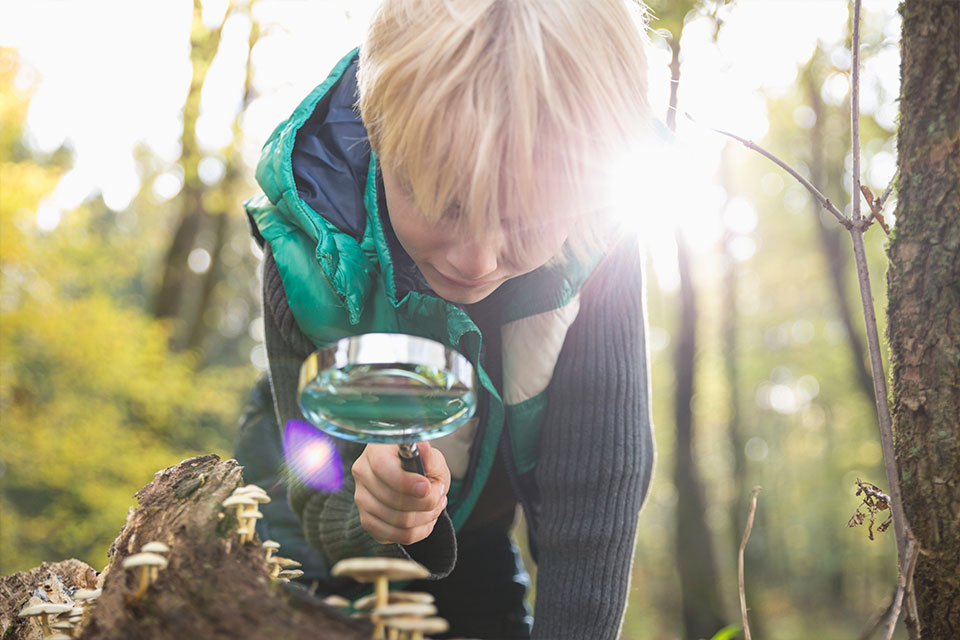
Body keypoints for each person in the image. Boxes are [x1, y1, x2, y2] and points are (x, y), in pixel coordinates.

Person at [237, 1, 656, 637]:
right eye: (449, 205)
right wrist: (371, 507)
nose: (477, 259)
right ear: (378, 135)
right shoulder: (306, 252)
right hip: (301, 539)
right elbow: (312, 486)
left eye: (524, 222)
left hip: (476, 536)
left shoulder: (598, 249)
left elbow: (593, 500)